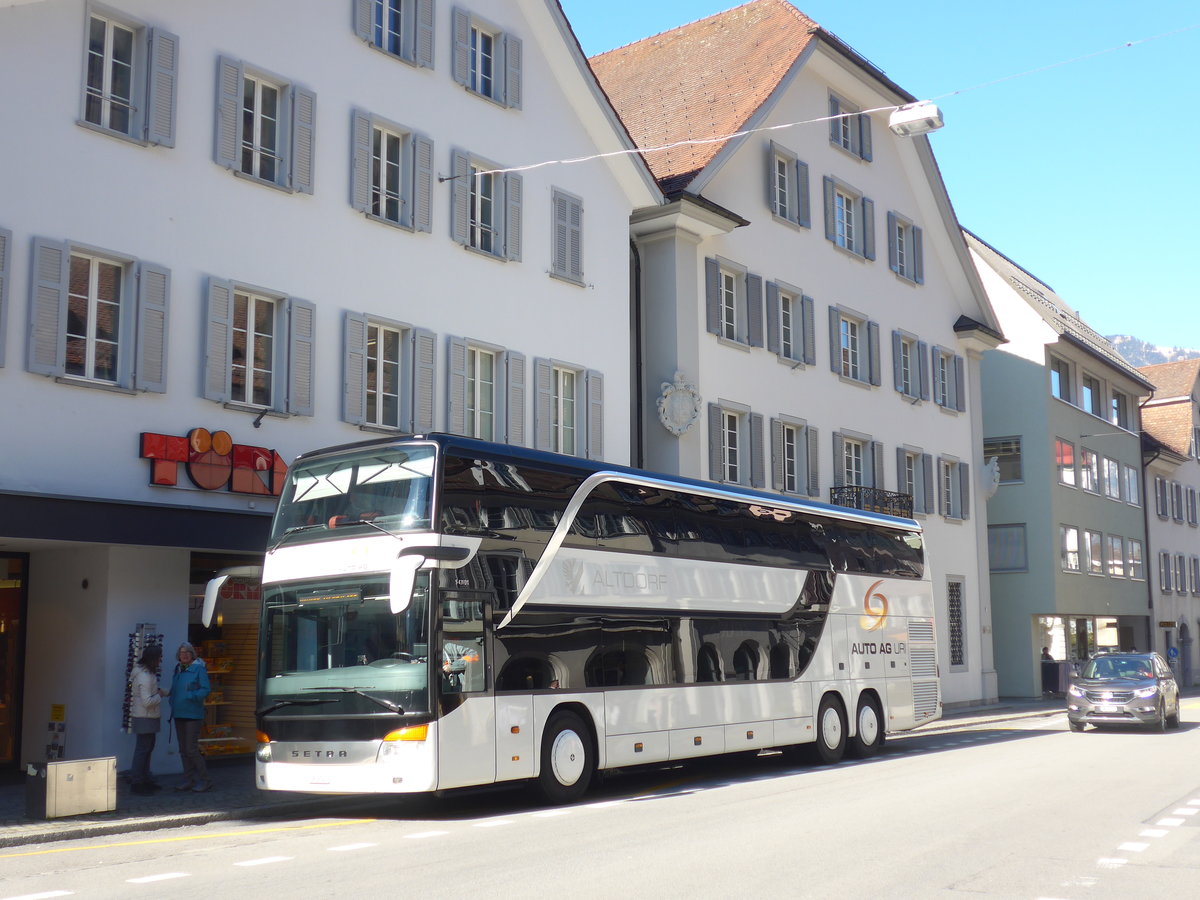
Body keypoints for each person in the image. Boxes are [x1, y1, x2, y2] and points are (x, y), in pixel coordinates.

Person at [169, 641, 211, 792]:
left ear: (192, 654)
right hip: (179, 713)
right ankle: (189, 780)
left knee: (191, 749)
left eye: (187, 652)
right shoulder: (178, 669)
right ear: (178, 656)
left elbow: (206, 689)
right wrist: (171, 700)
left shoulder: (199, 669)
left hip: (193, 714)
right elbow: (175, 689)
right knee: (183, 749)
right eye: (182, 653)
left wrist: (192, 696)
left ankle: (205, 780)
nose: (184, 655)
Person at [128, 644, 165, 795]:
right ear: (153, 659)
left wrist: (163, 692)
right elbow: (147, 701)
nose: (161, 660)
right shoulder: (144, 676)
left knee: (147, 749)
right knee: (143, 750)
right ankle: (137, 782)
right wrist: (160, 696)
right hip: (145, 717)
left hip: (147, 716)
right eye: (159, 657)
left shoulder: (146, 674)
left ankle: (144, 779)